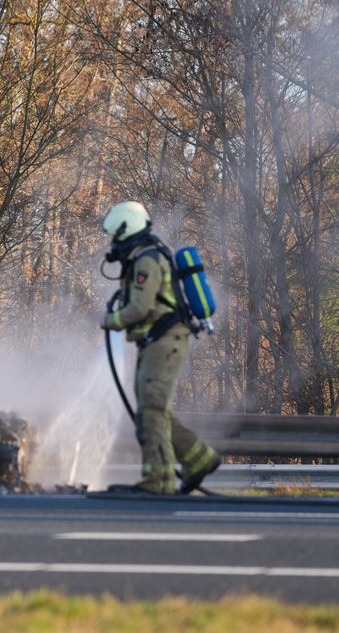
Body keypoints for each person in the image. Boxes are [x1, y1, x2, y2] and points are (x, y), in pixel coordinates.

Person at [99, 201, 221, 494]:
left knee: (152, 410)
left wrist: (111, 320)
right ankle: (199, 459)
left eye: (117, 235)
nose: (114, 243)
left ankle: (159, 480)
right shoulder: (144, 257)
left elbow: (139, 307)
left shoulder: (147, 261)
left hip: (164, 343)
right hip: (157, 343)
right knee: (152, 410)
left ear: (128, 230)